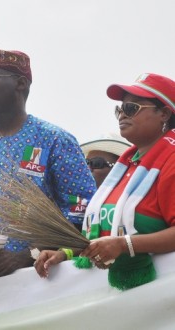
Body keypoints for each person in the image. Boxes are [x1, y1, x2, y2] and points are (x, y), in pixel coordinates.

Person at [0, 48, 96, 277]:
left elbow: (81, 209)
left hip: (40, 277)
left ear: (21, 84)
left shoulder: (54, 139)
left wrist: (27, 255)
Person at [35, 73, 175, 290]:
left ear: (164, 114)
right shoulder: (126, 164)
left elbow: (119, 241)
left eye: (131, 108)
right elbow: (106, 234)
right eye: (119, 109)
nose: (121, 115)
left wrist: (124, 244)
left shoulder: (171, 160)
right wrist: (67, 254)